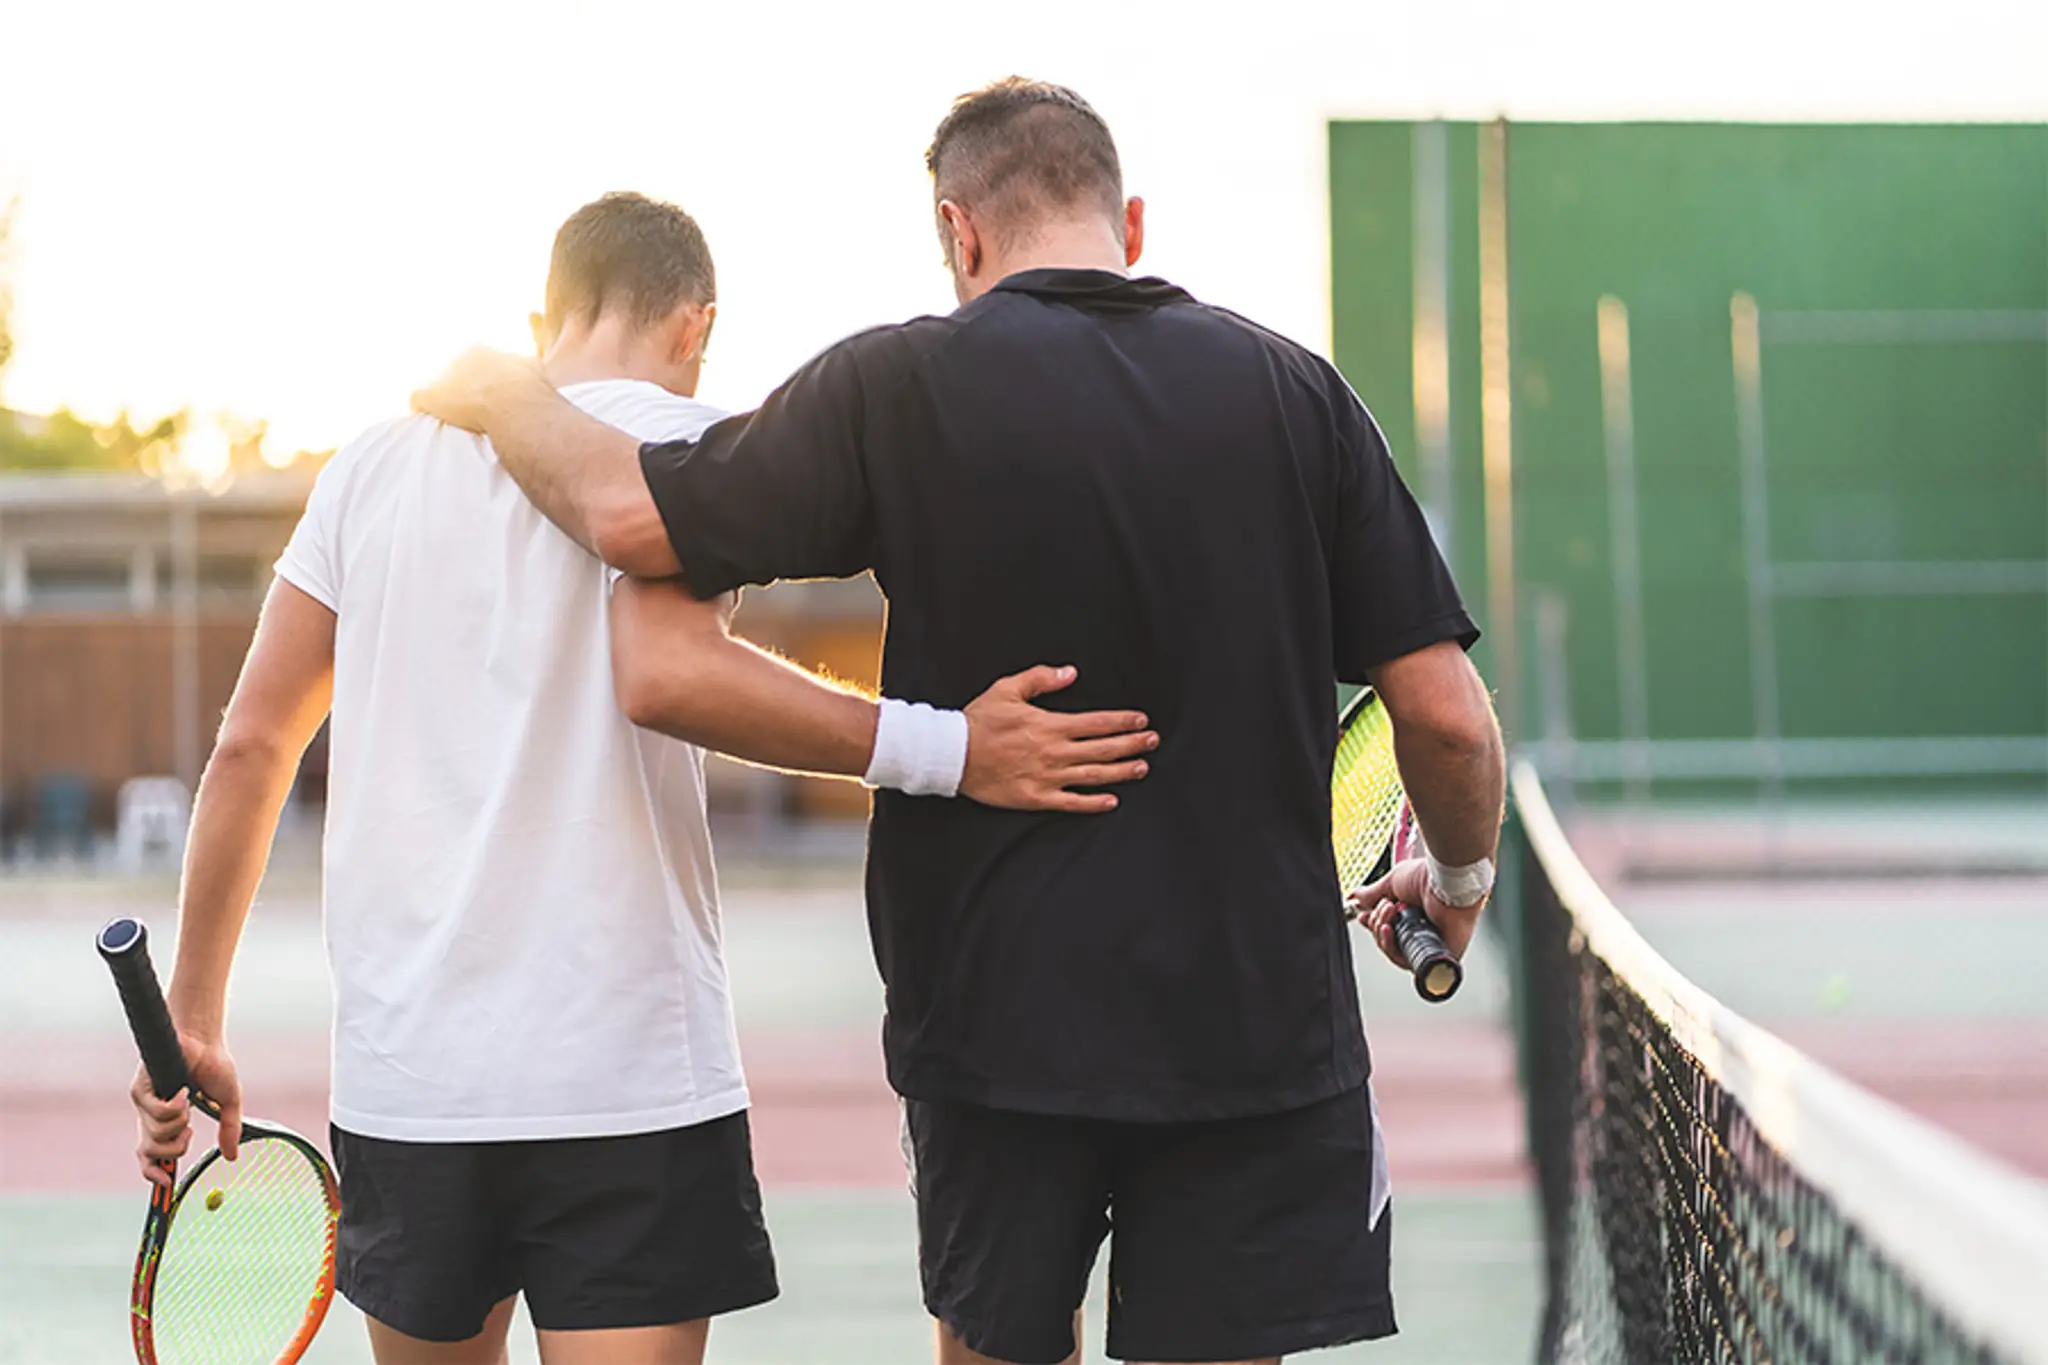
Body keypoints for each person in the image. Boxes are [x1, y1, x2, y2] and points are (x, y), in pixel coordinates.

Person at [414, 79, 1506, 1365]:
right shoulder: (1297, 392)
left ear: (959, 230)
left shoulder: (894, 384)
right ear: (1128, 224)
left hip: (992, 1034)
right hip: (1255, 1030)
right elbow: (1446, 723)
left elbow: (627, 520)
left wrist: (500, 390)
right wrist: (1458, 876)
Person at [128, 191, 1157, 1365]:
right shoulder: (695, 448)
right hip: (626, 1078)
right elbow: (677, 673)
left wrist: (193, 1018)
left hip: (411, 1089)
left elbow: (253, 747)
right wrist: (949, 749)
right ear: (693, 326)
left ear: (544, 318)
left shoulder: (367, 468)